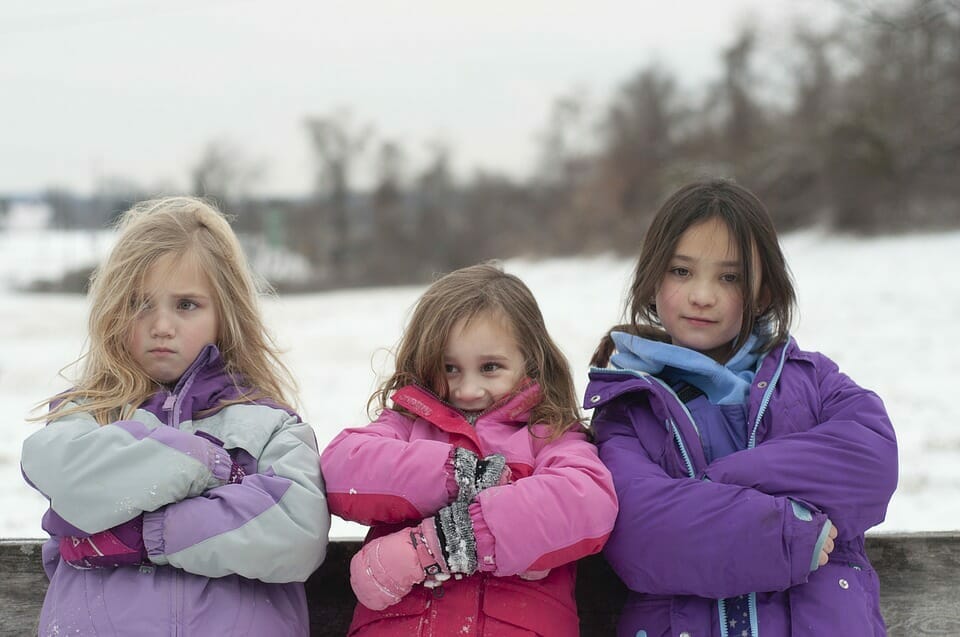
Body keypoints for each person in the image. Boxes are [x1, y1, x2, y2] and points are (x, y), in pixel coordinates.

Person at [586, 179, 898, 636]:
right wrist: (786, 532)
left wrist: (706, 486)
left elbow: (871, 462)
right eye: (681, 271)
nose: (702, 295)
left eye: (729, 277)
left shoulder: (812, 381)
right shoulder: (628, 408)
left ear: (764, 292)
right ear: (652, 279)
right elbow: (642, 534)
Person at [20, 197, 330, 636]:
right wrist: (208, 465)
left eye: (186, 305)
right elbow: (64, 472)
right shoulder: (87, 414)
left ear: (226, 315)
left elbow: (296, 532)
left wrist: (146, 534)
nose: (161, 325)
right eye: (139, 304)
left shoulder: (268, 425)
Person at [320, 262, 618, 636]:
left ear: (531, 361)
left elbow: (586, 502)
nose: (467, 390)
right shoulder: (408, 425)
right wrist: (460, 475)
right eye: (450, 368)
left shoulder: (550, 435)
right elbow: (341, 468)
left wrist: (441, 543)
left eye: (490, 367)